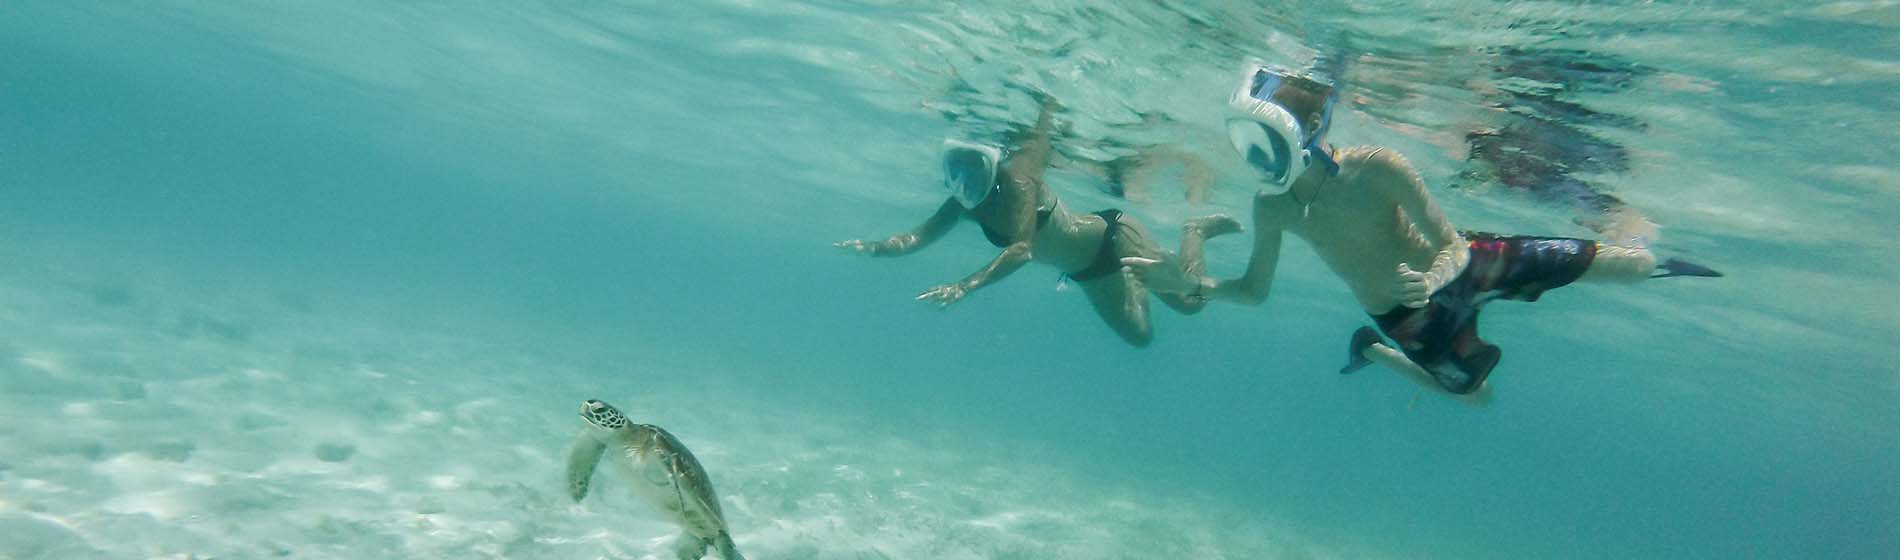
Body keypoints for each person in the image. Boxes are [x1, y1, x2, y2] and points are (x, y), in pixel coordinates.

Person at [1123, 62, 1719, 402]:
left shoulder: (1377, 166)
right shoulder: (1271, 208)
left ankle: (1667, 263)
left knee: (1629, 266)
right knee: (1473, 396)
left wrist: (1433, 275)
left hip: (1465, 264)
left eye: (1263, 145)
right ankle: (1372, 350)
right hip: (1403, 317)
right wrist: (1197, 283)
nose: (1255, 162)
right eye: (1243, 147)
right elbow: (1253, 290)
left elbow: (1452, 243)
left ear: (1304, 131)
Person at [838, 96, 1241, 347]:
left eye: (972, 168)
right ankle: (1138, 277)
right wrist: (875, 249)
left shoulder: (1018, 183)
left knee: (1190, 306)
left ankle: (1195, 233)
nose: (964, 180)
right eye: (955, 171)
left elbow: (1022, 249)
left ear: (991, 162)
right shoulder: (964, 201)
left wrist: (966, 285)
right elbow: (919, 235)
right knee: (1141, 338)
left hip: (1114, 239)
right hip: (1087, 270)